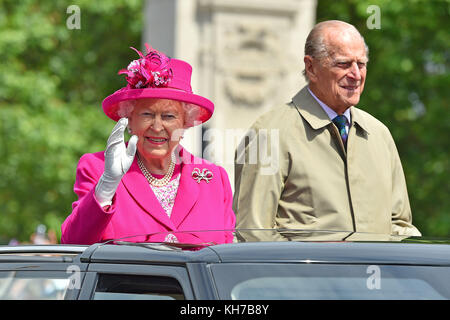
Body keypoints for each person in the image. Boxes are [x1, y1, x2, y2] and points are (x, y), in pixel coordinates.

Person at [233, 20, 421, 238]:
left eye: (361, 64)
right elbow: (254, 233)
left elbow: (399, 226)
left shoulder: (380, 135)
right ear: (311, 68)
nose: (356, 75)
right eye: (343, 64)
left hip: (377, 273)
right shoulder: (267, 134)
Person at [62, 44, 235, 245]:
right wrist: (107, 186)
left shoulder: (214, 179)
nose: (157, 126)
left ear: (185, 122)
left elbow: (225, 256)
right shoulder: (97, 168)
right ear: (129, 119)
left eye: (169, 116)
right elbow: (73, 242)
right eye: (147, 114)